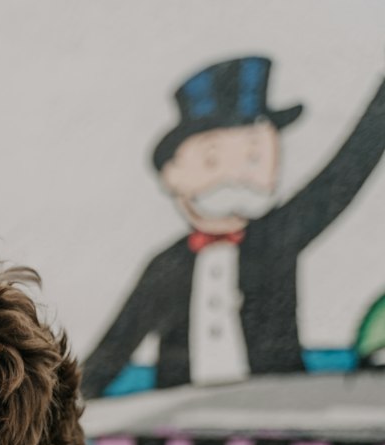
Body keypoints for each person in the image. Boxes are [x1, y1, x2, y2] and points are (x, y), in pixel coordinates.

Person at [82, 56, 385, 396]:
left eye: (256, 157)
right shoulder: (166, 266)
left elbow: (344, 174)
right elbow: (112, 352)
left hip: (274, 406)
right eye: (213, 159)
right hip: (179, 416)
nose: (237, 175)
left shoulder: (278, 237)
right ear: (171, 174)